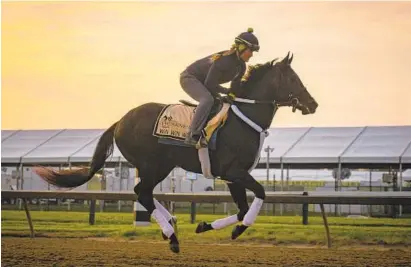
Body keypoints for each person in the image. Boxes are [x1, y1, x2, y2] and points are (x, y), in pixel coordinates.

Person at [180, 28, 260, 146]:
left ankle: (206, 134)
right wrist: (226, 91)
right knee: (207, 100)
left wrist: (232, 95)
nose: (252, 55)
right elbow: (210, 84)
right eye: (250, 51)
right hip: (190, 78)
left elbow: (235, 87)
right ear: (241, 48)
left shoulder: (241, 67)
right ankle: (191, 134)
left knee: (220, 104)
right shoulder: (223, 61)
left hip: (204, 83)